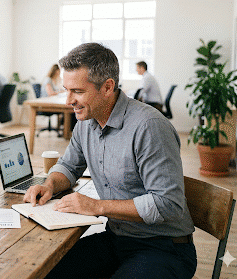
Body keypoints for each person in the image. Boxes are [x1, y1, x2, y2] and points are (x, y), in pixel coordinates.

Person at [24, 43, 196, 279]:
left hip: (164, 248)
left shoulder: (149, 126)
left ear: (107, 87)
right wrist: (50, 184)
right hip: (117, 239)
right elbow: (68, 166)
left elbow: (167, 204)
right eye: (66, 90)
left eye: (78, 91)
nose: (68, 101)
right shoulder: (86, 122)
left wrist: (96, 206)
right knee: (43, 271)